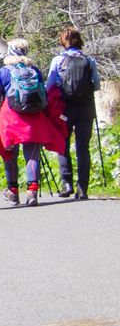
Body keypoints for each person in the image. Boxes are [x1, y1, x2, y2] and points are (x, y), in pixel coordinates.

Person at [0, 38, 68, 206]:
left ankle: (12, 190)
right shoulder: (34, 70)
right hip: (34, 117)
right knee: (33, 154)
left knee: (9, 153)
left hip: (11, 117)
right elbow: (43, 94)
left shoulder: (3, 72)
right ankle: (32, 191)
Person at [48, 27, 102, 200]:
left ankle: (66, 183)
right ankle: (82, 188)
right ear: (79, 40)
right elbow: (97, 85)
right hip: (86, 109)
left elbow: (50, 85)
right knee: (83, 148)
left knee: (63, 145)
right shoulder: (89, 60)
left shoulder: (58, 60)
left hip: (65, 109)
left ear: (63, 42)